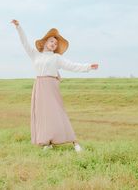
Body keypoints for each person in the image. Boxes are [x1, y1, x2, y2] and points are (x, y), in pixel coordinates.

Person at [11, 19, 99, 153]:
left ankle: (75, 142)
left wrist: (88, 67)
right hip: (39, 86)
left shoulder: (56, 58)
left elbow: (72, 66)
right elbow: (24, 43)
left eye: (56, 43)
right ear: (45, 42)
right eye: (52, 41)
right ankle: (48, 142)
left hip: (51, 87)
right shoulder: (36, 55)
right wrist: (18, 27)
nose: (54, 44)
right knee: (42, 115)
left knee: (58, 113)